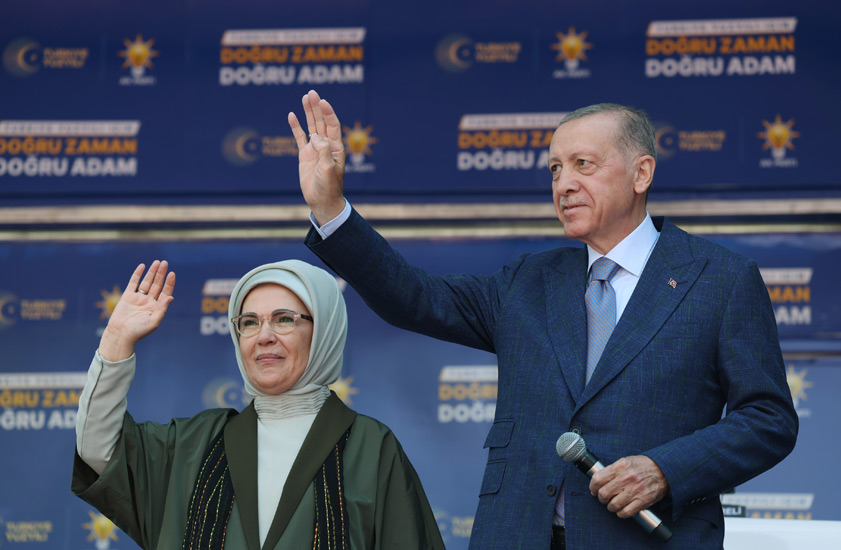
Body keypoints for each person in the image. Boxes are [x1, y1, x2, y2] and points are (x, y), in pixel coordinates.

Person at [287, 90, 798, 549]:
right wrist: (331, 208)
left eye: (583, 164)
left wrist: (665, 470)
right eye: (555, 169)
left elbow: (768, 419)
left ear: (641, 173)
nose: (564, 184)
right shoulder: (528, 281)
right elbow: (414, 298)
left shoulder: (719, 279)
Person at [72, 258, 445, 549]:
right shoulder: (195, 444)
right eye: (249, 322)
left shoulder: (370, 447)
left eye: (284, 319)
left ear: (324, 332)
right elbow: (98, 450)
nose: (264, 336)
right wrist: (116, 340)